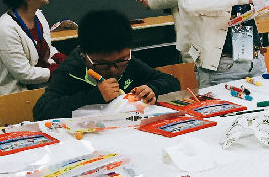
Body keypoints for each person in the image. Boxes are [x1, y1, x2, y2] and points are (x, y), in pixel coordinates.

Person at [33, 9, 179, 120]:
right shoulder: (70, 70)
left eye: (120, 61)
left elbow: (171, 82)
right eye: (102, 64)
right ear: (84, 54)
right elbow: (41, 111)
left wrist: (152, 89)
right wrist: (95, 95)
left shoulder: (128, 62)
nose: (113, 70)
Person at [0, 0, 66, 114]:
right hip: (12, 99)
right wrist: (58, 70)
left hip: (38, 91)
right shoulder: (4, 28)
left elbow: (44, 48)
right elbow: (24, 74)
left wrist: (59, 58)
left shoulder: (38, 16)